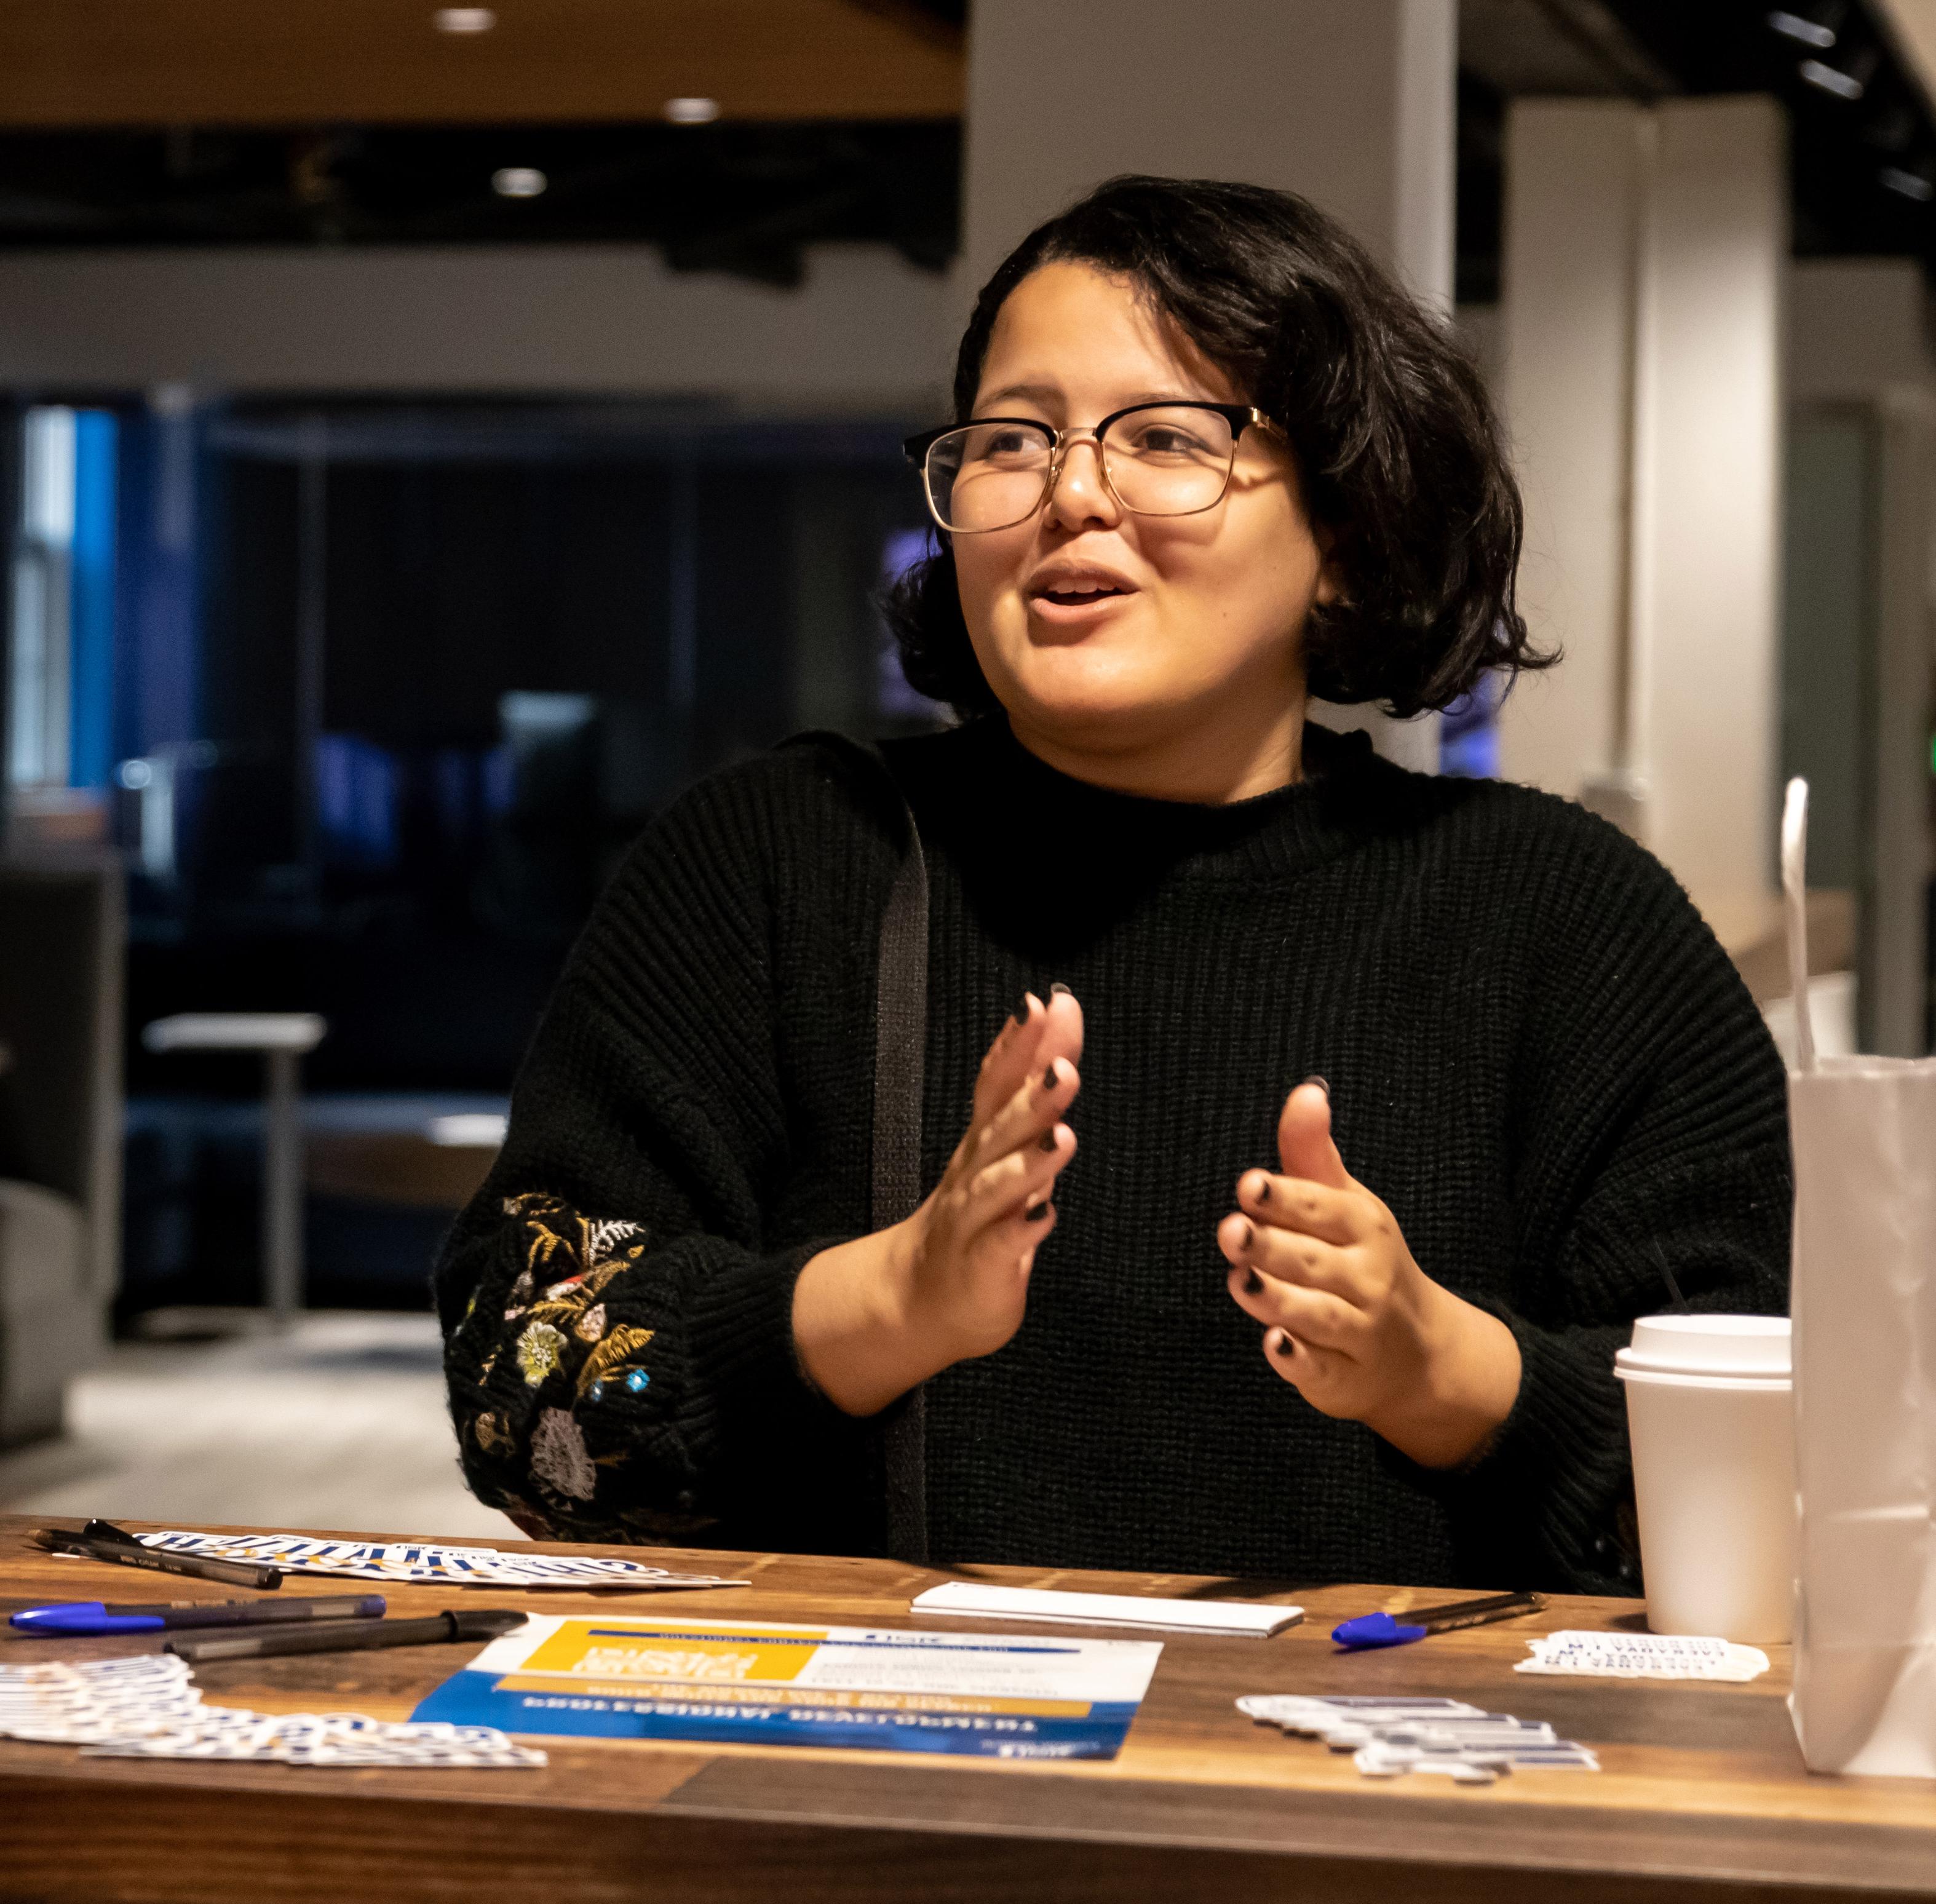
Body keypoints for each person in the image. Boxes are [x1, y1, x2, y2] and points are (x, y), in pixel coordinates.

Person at [436, 175, 1789, 1592]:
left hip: (1372, 1799)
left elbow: (1755, 1488)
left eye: (1162, 436)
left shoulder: (1562, 918)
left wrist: (1434, 1365)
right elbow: (521, 1387)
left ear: (1344, 530)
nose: (1070, 493)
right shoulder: (784, 856)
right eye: (1010, 440)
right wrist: (887, 1296)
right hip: (856, 1777)